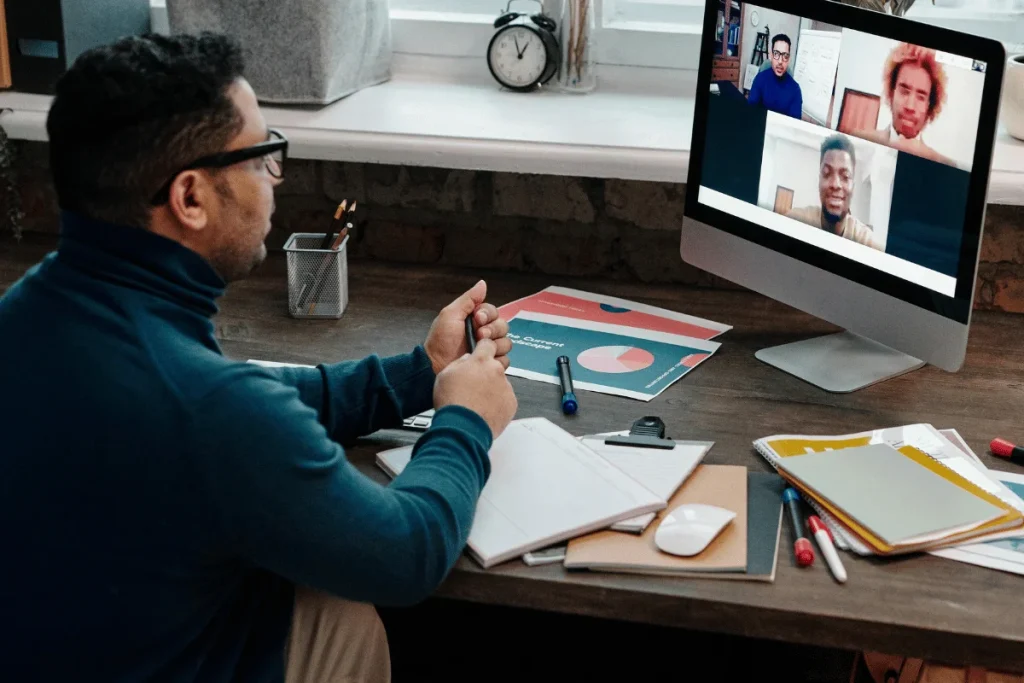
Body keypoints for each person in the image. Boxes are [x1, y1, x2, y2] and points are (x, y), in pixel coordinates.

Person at [0, 32, 518, 683]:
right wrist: (467, 418)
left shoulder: (31, 313)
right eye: (262, 157)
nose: (276, 179)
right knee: (343, 605)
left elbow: (224, 401)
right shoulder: (208, 408)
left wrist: (417, 374)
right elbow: (406, 552)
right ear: (190, 198)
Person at [852, 42, 955, 167]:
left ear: (930, 106)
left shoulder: (945, 166)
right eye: (904, 92)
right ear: (891, 92)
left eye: (921, 97)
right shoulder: (857, 142)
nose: (910, 106)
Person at [787, 133, 883, 250]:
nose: (835, 184)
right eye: (827, 173)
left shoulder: (867, 242)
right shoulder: (794, 222)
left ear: (853, 187)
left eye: (845, 176)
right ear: (819, 181)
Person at [747, 34, 803, 119]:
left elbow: (794, 126)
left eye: (785, 56)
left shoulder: (795, 90)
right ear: (771, 55)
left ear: (789, 59)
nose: (780, 61)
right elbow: (750, 111)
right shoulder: (760, 79)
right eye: (776, 54)